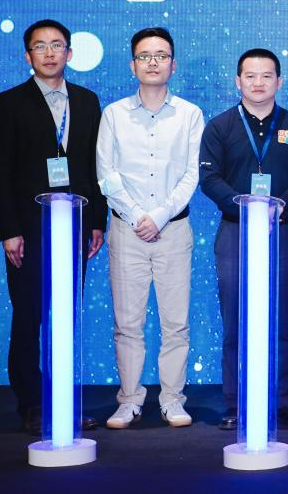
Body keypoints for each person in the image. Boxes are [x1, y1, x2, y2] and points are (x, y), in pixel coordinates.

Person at [0, 19, 106, 436]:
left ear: (70, 53)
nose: (50, 53)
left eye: (57, 45)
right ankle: (33, 403)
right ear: (28, 55)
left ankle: (63, 403)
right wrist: (9, 230)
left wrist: (97, 222)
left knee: (65, 318)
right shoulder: (9, 102)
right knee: (29, 316)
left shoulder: (87, 101)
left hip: (74, 226)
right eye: (41, 46)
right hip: (28, 229)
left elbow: (95, 168)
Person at [199, 48, 288, 431]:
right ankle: (236, 403)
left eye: (266, 76)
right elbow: (209, 179)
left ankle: (280, 401)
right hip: (235, 231)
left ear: (278, 82)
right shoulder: (220, 127)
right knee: (236, 320)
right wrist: (246, 206)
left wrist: (280, 205)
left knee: (281, 320)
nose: (258, 83)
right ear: (238, 81)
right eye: (250, 76)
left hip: (283, 230)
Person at [96, 27, 204, 429]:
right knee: (128, 323)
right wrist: (137, 215)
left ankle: (172, 399)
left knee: (176, 323)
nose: (153, 62)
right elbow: (107, 175)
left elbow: (192, 174)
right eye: (145, 56)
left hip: (173, 230)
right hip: (126, 231)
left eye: (161, 55)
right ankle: (129, 400)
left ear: (173, 64)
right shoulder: (114, 114)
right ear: (133, 65)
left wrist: (158, 216)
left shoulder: (190, 114)